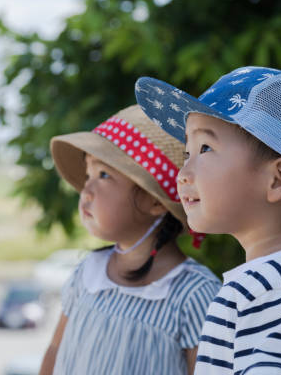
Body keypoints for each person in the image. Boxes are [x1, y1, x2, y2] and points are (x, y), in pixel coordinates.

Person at [135, 66, 281, 374]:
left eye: (205, 148)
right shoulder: (279, 280)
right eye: (187, 154)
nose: (182, 174)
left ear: (278, 180)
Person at [39, 105, 221, 375]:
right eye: (88, 175)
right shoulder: (87, 274)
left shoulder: (194, 295)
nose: (85, 191)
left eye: (103, 175)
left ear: (156, 202)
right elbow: (56, 350)